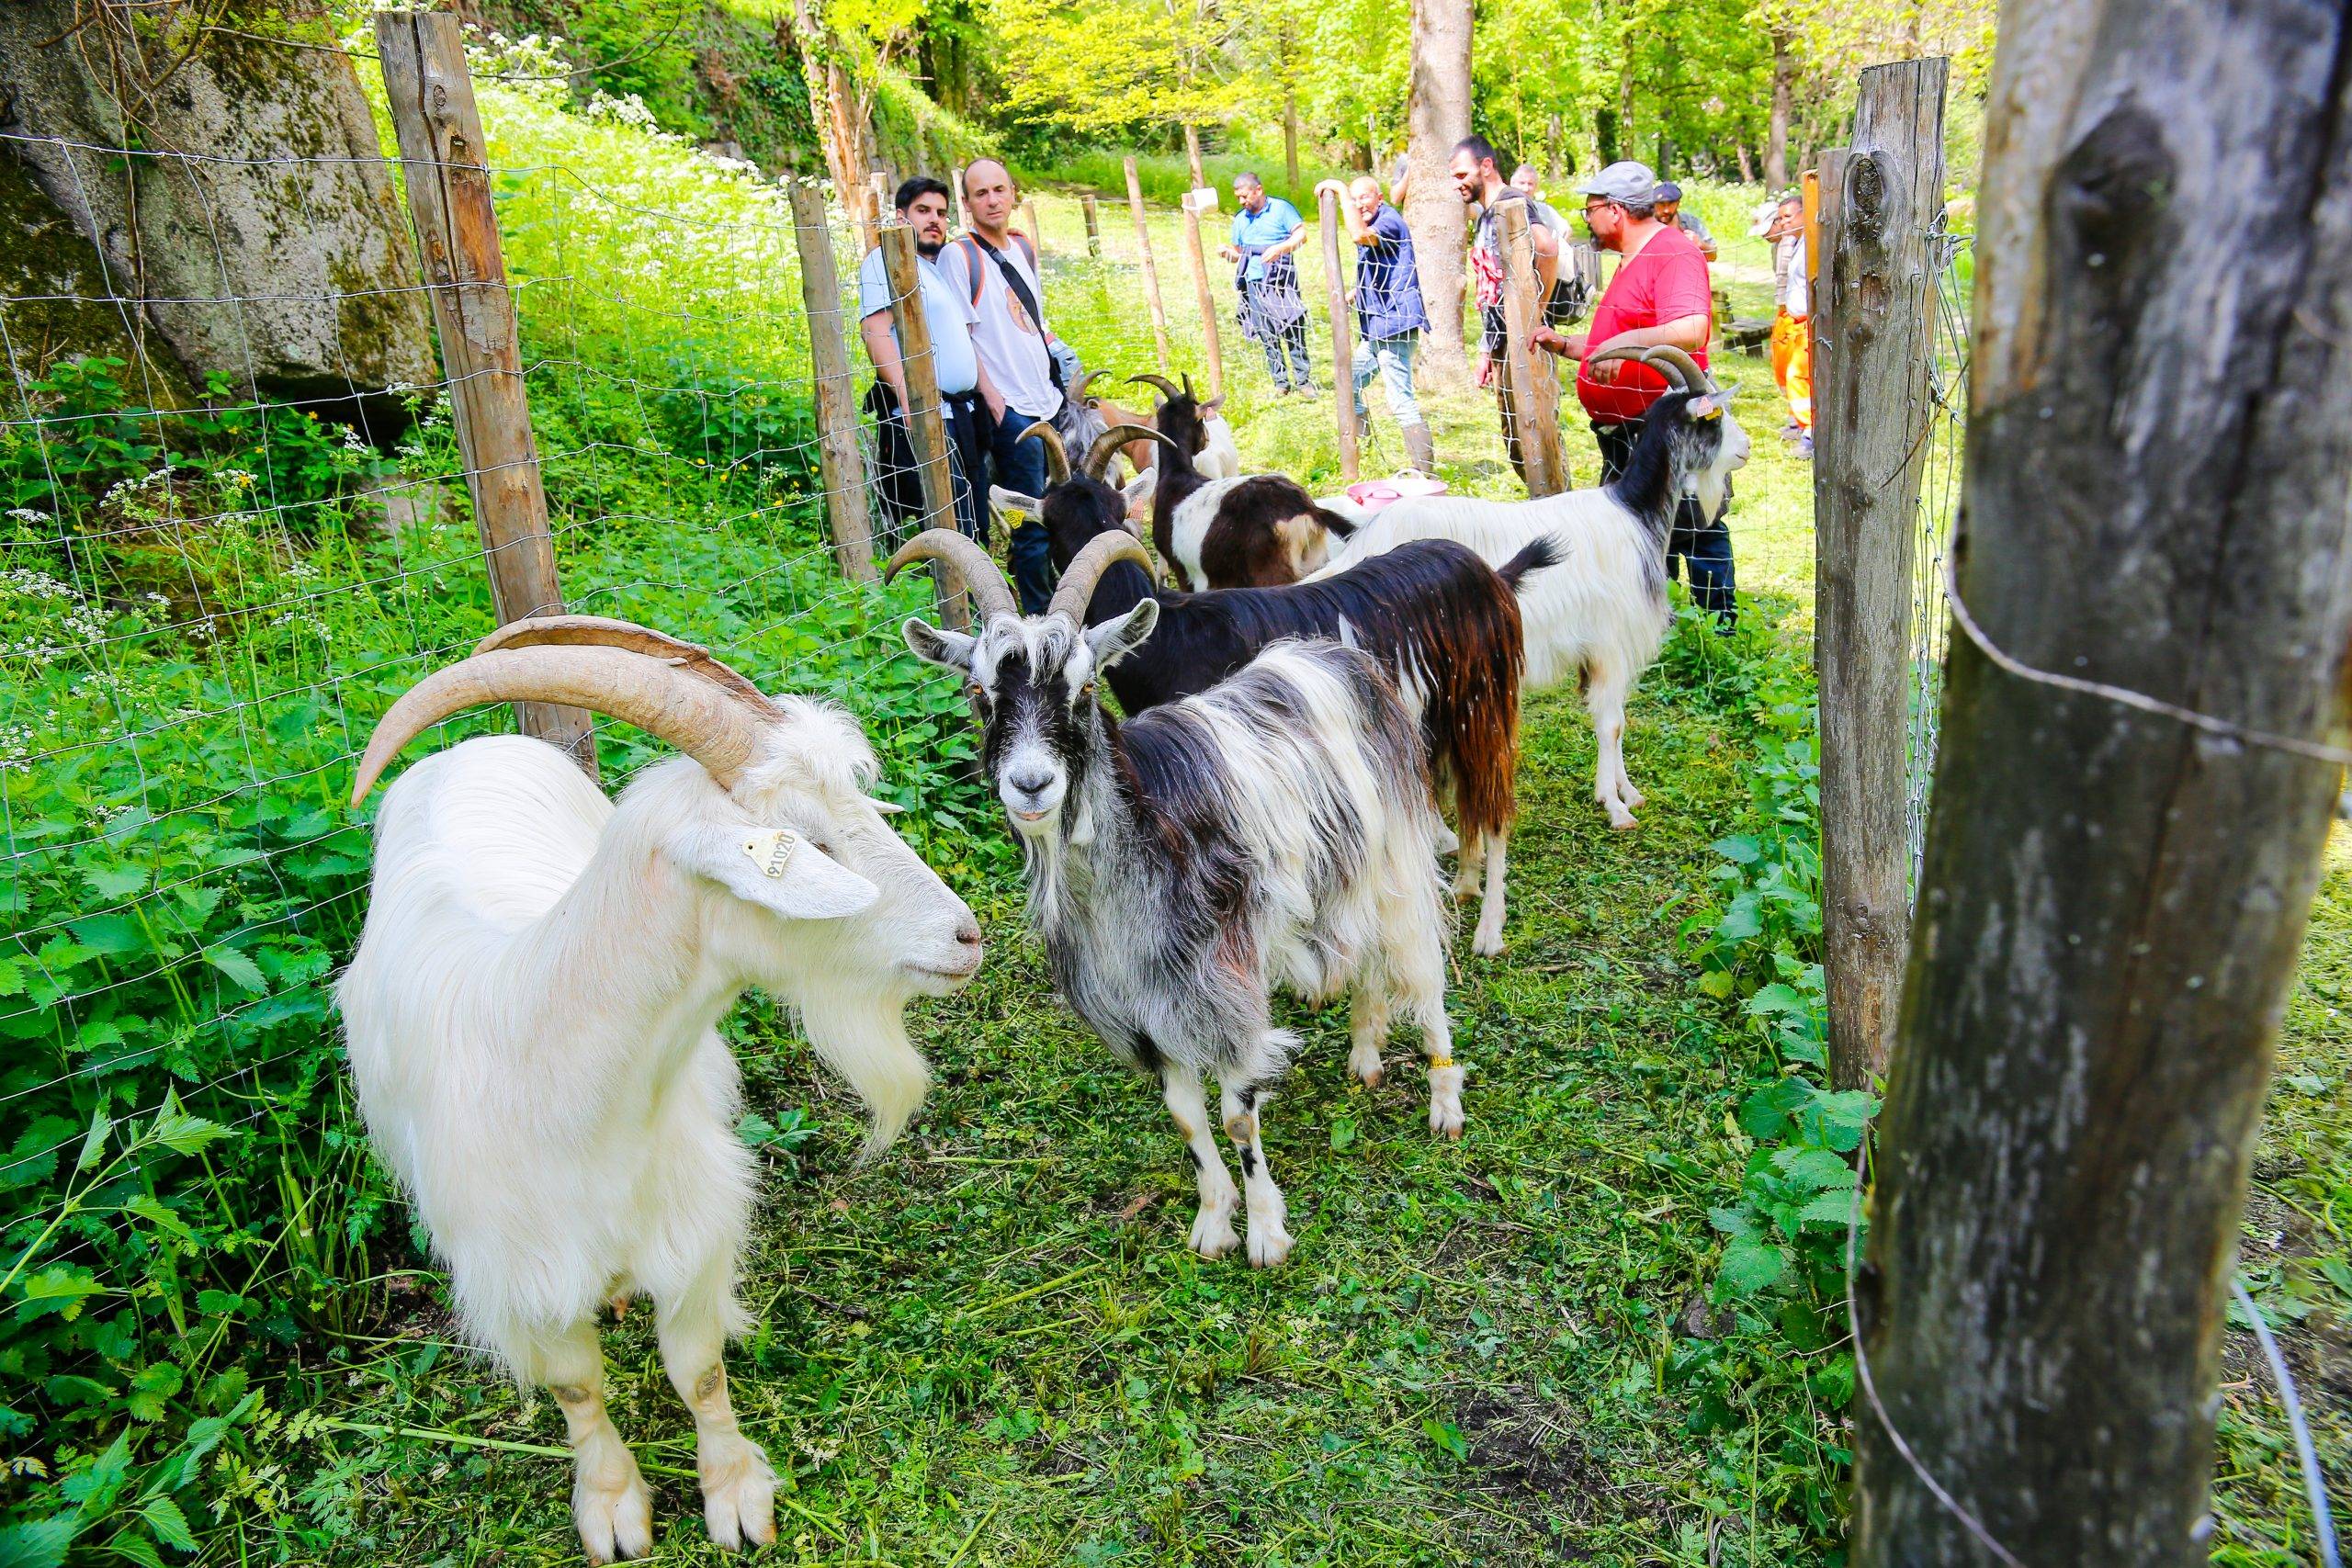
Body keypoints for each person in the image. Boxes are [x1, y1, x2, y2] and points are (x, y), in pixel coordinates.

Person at [1531, 160, 1737, 626]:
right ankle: (1661, 621)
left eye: (1590, 210)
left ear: (1616, 210)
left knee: (1693, 524)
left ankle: (1717, 628)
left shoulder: (1673, 253)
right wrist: (1568, 345)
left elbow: (1691, 327)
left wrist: (1617, 344)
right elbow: (1625, 341)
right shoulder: (1631, 258)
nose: (1587, 220)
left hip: (1665, 425)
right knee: (1643, 526)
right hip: (1627, 430)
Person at [941, 157, 1061, 610]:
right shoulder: (960, 256)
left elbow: (1033, 319)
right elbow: (962, 334)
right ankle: (1039, 617)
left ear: (1013, 193)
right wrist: (993, 398)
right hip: (1011, 409)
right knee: (1028, 520)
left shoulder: (1022, 247)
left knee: (1054, 508)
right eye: (981, 193)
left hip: (1046, 400)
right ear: (967, 203)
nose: (992, 200)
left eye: (999, 190)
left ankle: (1053, 598)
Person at [858, 176, 1002, 547]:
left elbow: (962, 339)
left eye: (941, 212)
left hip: (963, 415)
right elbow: (875, 331)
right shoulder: (884, 261)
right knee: (949, 524)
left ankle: (976, 583)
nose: (934, 220)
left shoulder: (935, 269)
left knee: (972, 520)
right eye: (923, 211)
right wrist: (909, 400)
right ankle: (954, 585)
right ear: (900, 216)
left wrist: (987, 391)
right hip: (928, 414)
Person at [1450, 134, 1560, 487]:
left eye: (1462, 174)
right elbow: (1490, 287)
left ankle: (1551, 503)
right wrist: (1487, 349)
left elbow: (1547, 248)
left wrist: (1536, 312)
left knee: (1535, 438)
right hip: (1502, 344)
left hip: (1524, 344)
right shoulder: (1486, 213)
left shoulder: (1513, 203)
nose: (1457, 183)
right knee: (1515, 439)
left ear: (1486, 166)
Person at [1320, 174, 1434, 472]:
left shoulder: (1389, 221)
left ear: (1379, 198)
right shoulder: (1377, 222)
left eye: (1364, 197)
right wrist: (1357, 293)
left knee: (1400, 400)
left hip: (1394, 326)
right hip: (1375, 329)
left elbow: (1358, 235)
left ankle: (1426, 474)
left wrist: (1340, 190)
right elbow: (1388, 266)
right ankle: (1366, 456)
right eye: (1355, 199)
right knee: (1349, 384)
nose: (1359, 205)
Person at [1219, 172, 1315, 394]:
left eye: (1245, 196)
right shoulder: (1241, 219)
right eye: (1238, 197)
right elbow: (1238, 254)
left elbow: (1301, 235)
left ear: (1259, 190)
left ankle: (1303, 381)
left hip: (1281, 279)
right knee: (1266, 332)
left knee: (1293, 327)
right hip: (1253, 282)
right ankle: (1281, 383)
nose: (1241, 201)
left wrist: (1280, 248)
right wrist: (1227, 253)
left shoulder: (1281, 209)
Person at [1762, 192, 1813, 458]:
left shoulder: (1814, 241)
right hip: (1792, 320)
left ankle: (1811, 434)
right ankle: (1798, 422)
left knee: (1798, 375)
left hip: (1809, 324)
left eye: (1788, 217)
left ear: (1805, 213)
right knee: (1785, 372)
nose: (1783, 223)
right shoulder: (1794, 242)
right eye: (1780, 218)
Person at [1653, 181, 1717, 260]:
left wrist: (1700, 244)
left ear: (1678, 204)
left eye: (1670, 204)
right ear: (1654, 205)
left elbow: (1713, 256)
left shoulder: (1691, 222)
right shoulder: (1647, 225)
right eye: (1662, 205)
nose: (1666, 210)